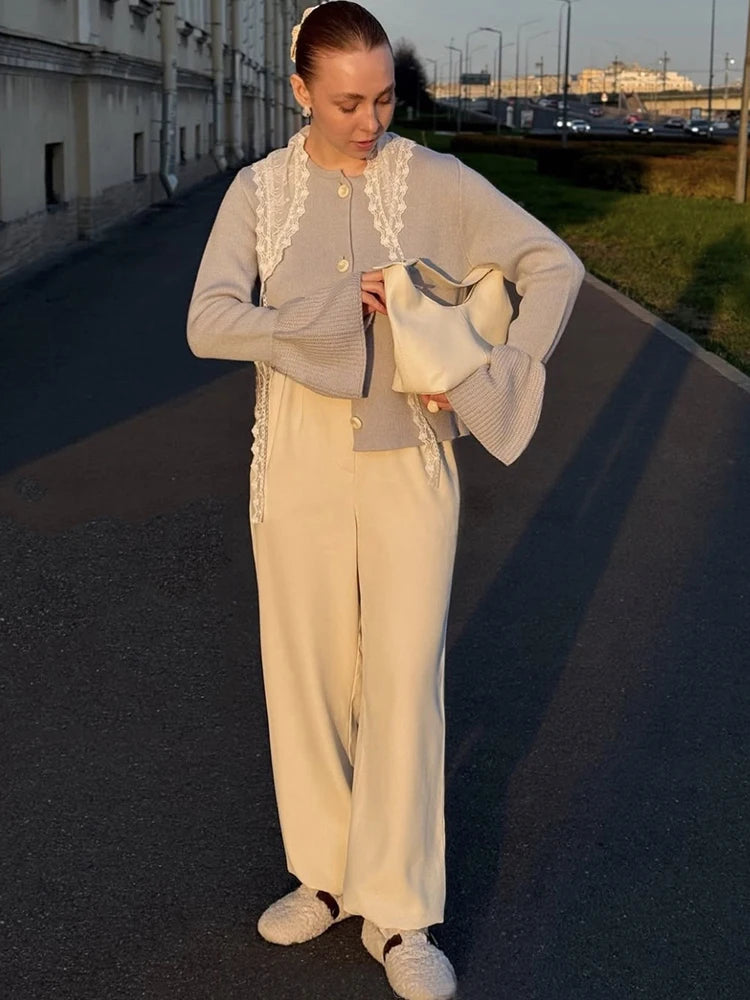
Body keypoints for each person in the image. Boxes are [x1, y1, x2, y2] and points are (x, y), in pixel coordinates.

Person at [186, 3, 584, 998]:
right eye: (349, 102)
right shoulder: (260, 192)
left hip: (412, 462)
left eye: (385, 99)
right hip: (299, 462)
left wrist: (491, 373)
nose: (370, 120)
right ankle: (324, 877)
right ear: (303, 93)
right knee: (309, 677)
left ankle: (401, 914)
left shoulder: (437, 183)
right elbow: (209, 321)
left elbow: (554, 266)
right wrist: (326, 308)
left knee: (404, 684)